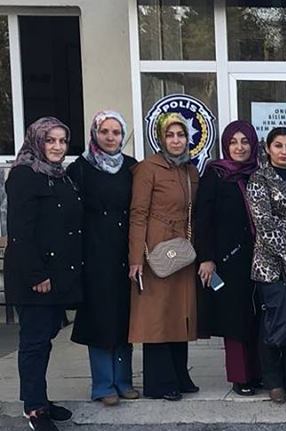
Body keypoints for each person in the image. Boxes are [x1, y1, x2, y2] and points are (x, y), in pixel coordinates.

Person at [4, 118, 82, 431]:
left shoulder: (59, 176)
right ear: (37, 141)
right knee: (34, 342)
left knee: (45, 339)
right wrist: (36, 274)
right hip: (34, 277)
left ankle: (41, 398)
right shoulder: (24, 175)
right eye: (50, 140)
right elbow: (20, 231)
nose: (57, 147)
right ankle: (34, 408)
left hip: (56, 276)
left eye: (62, 141)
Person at [128, 113, 200, 401]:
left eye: (180, 135)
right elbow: (138, 214)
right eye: (170, 135)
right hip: (156, 249)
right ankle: (160, 381)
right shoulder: (148, 168)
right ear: (160, 138)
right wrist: (136, 257)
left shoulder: (189, 170)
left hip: (181, 248)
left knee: (179, 313)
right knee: (157, 316)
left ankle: (180, 374)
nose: (176, 140)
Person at [68, 111, 138, 407]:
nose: (110, 137)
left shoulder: (131, 167)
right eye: (105, 131)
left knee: (124, 316)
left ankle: (123, 381)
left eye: (116, 132)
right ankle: (102, 384)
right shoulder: (81, 168)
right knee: (100, 318)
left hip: (124, 252)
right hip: (94, 252)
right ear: (94, 134)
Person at [196, 121, 261, 396]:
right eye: (233, 142)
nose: (239, 147)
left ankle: (258, 372)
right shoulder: (216, 174)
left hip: (257, 257)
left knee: (256, 317)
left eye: (245, 141)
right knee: (234, 319)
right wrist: (207, 258)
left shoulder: (258, 173)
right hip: (226, 260)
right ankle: (240, 376)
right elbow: (202, 219)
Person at [247, 126, 286, 404]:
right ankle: (274, 381)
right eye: (278, 146)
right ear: (268, 149)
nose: (284, 151)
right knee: (273, 324)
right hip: (271, 265)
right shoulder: (259, 179)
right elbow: (264, 223)